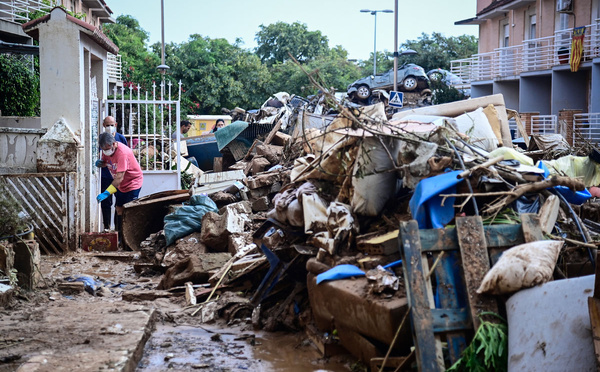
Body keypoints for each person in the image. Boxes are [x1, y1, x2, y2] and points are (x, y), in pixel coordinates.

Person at [96, 132, 143, 245]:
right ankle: (120, 238)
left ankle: (130, 240)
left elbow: (119, 178)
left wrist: (107, 193)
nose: (106, 152)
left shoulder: (123, 153)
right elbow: (106, 162)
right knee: (119, 209)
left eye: (107, 149)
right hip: (121, 185)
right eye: (103, 149)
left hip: (132, 182)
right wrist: (101, 163)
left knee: (129, 210)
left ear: (114, 144)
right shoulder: (106, 151)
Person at [99, 116, 128, 231]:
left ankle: (118, 230)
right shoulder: (101, 139)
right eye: (107, 125)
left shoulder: (121, 138)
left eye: (111, 125)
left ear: (115, 125)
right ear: (103, 125)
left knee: (119, 204)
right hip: (106, 175)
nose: (109, 127)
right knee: (106, 202)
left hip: (118, 177)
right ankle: (107, 227)